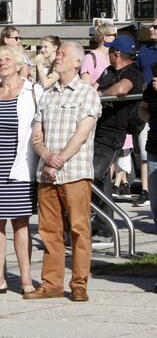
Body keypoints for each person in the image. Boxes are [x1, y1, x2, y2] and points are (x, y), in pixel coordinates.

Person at [27, 41, 101, 302]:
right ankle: (51, 284)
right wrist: (47, 156)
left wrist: (60, 159)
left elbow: (83, 132)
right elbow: (37, 135)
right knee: (49, 231)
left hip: (75, 172)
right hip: (47, 173)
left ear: (77, 62)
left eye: (62, 54)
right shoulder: (47, 95)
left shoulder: (87, 93)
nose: (57, 57)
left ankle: (79, 283)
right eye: (57, 54)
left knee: (79, 229)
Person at [0, 46, 42, 296]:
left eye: (7, 59)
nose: (2, 63)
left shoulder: (33, 91)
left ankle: (26, 279)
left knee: (20, 224)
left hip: (20, 167)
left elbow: (38, 128)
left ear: (19, 63)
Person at [91, 36, 143, 243]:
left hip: (112, 133)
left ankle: (104, 228)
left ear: (117, 54)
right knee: (101, 180)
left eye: (112, 51)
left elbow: (122, 89)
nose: (109, 54)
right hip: (96, 129)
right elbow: (93, 87)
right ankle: (102, 226)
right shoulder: (110, 72)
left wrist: (100, 96)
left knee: (92, 176)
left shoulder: (132, 72)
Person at [135, 19, 157, 207]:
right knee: (145, 151)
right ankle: (145, 189)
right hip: (148, 108)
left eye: (156, 27)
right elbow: (137, 74)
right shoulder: (144, 51)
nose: (151, 29)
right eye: (151, 26)